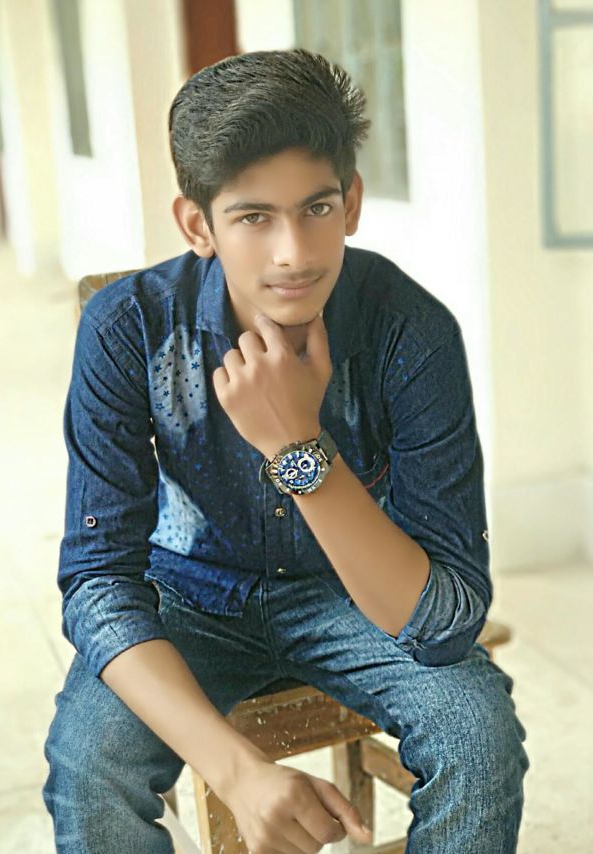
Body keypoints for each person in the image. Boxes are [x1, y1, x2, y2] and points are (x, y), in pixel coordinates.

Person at [42, 48, 529, 853]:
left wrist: (299, 446)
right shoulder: (129, 328)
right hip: (186, 597)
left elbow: (444, 620)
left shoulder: (411, 332)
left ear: (352, 202)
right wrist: (236, 770)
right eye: (253, 217)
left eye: (316, 208)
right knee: (89, 768)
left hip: (353, 594)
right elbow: (98, 582)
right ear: (197, 224)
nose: (295, 253)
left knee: (480, 737)